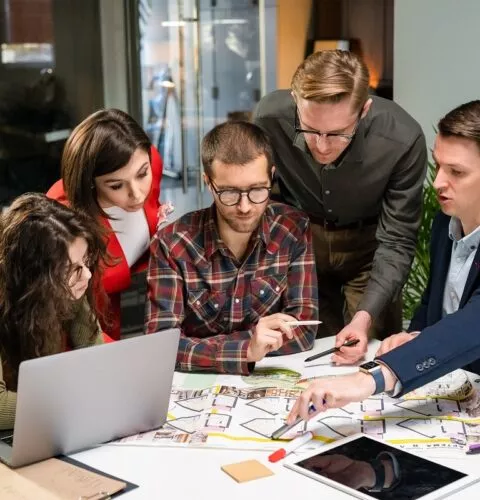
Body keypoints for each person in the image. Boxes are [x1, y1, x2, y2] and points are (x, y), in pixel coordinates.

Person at [287, 100, 480, 422]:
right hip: (452, 392)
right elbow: (435, 306)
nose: (437, 182)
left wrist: (370, 379)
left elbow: (472, 324)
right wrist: (415, 337)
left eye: (457, 172)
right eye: (439, 165)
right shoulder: (445, 224)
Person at [254, 49, 427, 359]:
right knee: (302, 354)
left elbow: (398, 241)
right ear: (296, 101)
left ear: (364, 111)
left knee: (365, 356)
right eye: (309, 129)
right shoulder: (269, 119)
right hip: (302, 246)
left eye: (336, 134)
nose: (321, 146)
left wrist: (364, 318)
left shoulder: (403, 139)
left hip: (369, 252)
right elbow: (269, 202)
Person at [145, 121, 318, 374]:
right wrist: (247, 348)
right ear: (208, 182)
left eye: (258, 190)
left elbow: (304, 329)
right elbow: (160, 347)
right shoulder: (172, 244)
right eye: (229, 193)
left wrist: (204, 349)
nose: (245, 207)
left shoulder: (292, 229)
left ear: (271, 176)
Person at [47, 108, 165, 340]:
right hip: (84, 331)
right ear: (90, 182)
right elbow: (65, 318)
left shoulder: (146, 159)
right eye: (116, 186)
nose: (137, 194)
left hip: (135, 315)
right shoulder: (63, 218)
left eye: (142, 174)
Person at [0, 193, 106, 429]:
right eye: (72, 269)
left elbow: (96, 361)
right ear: (35, 276)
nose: (87, 275)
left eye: (85, 261)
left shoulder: (59, 287)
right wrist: (71, 400)